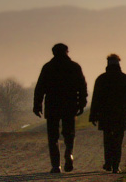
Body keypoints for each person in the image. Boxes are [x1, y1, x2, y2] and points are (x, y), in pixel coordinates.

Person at [33, 43, 88, 173]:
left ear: (53, 53)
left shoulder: (48, 67)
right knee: (69, 133)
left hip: (52, 105)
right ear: (67, 52)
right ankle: (69, 153)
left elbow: (40, 87)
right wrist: (81, 103)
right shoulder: (74, 67)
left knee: (53, 136)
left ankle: (56, 164)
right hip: (70, 104)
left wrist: (37, 105)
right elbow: (82, 86)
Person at [88, 53, 126, 173]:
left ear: (107, 63)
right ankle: (116, 165)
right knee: (118, 139)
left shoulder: (101, 79)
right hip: (121, 114)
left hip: (105, 114)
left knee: (108, 139)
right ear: (119, 63)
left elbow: (96, 98)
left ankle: (108, 162)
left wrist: (93, 114)